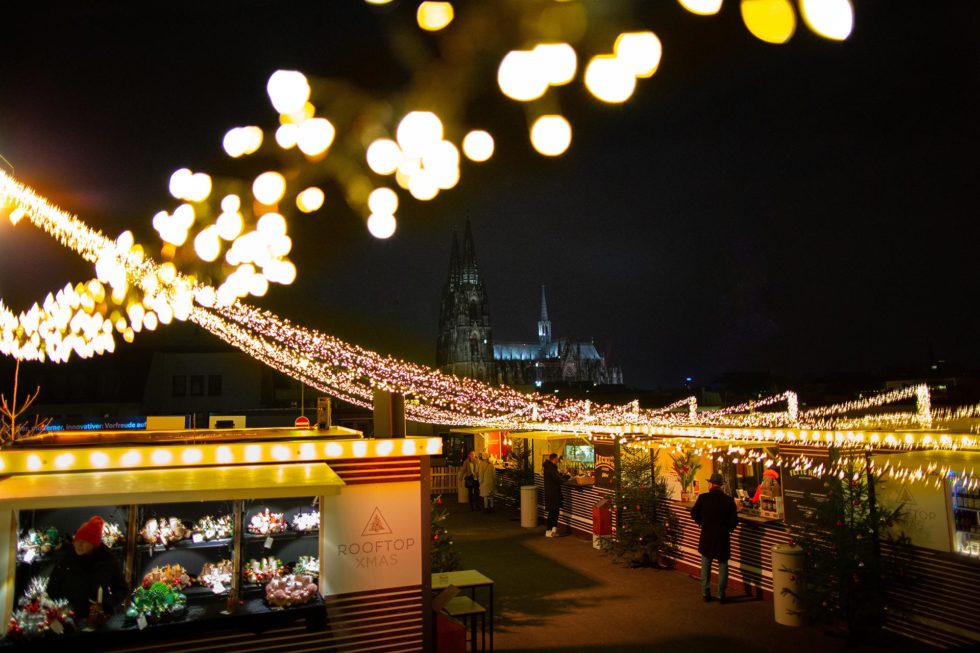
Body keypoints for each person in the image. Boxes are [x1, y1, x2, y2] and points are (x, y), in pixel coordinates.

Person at [47, 515, 127, 621]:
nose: (79, 545)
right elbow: (52, 590)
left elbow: (122, 589)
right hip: (68, 619)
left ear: (94, 544)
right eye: (77, 540)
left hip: (97, 620)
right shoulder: (66, 559)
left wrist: (105, 605)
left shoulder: (107, 560)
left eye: (84, 541)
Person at [690, 472, 739, 603]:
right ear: (721, 486)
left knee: (706, 563)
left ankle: (706, 593)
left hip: (707, 535)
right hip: (722, 536)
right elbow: (734, 521)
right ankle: (721, 594)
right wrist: (728, 529)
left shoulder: (703, 498)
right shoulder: (728, 500)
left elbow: (693, 514)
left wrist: (702, 522)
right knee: (723, 564)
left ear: (711, 484)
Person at [542, 453, 569, 537]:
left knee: (555, 512)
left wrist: (563, 476)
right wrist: (567, 477)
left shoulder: (549, 467)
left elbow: (557, 477)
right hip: (553, 493)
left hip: (551, 493)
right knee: (553, 512)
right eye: (557, 459)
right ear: (554, 459)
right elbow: (558, 480)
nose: (558, 460)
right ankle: (549, 530)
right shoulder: (551, 468)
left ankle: (553, 530)